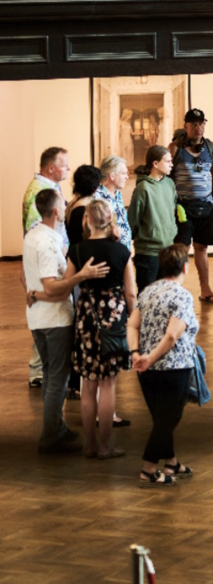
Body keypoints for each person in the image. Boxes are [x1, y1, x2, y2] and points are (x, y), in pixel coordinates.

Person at [23, 189, 108, 454]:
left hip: (38, 318)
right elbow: (53, 288)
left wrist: (33, 293)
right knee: (58, 378)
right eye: (64, 206)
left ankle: (56, 428)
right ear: (57, 211)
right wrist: (81, 275)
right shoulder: (47, 243)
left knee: (51, 375)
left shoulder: (33, 235)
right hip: (55, 319)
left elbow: (30, 281)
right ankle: (50, 437)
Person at [67, 200, 136, 459]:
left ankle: (90, 445)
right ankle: (106, 447)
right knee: (108, 384)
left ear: (87, 219)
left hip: (87, 317)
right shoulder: (121, 251)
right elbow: (130, 293)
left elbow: (66, 284)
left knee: (88, 384)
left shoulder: (77, 250)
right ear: (110, 220)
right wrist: (133, 322)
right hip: (114, 317)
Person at [128, 244, 200, 487]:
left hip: (146, 371)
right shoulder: (182, 296)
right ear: (184, 267)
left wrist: (138, 353)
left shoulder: (147, 291)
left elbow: (132, 325)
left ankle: (171, 462)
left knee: (161, 418)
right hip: (174, 368)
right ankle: (148, 469)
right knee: (167, 419)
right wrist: (152, 357)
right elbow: (171, 336)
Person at [22, 146, 71, 388]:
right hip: (46, 262)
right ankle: (39, 372)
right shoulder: (40, 191)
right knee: (44, 312)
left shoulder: (48, 187)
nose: (68, 169)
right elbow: (37, 231)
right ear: (51, 168)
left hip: (52, 258)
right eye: (64, 165)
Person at [169, 107, 213, 304]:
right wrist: (172, 205)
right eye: (194, 124)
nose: (198, 128)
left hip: (207, 207)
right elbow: (168, 180)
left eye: (201, 124)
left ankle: (205, 290)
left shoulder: (211, 148)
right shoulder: (175, 148)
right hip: (183, 207)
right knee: (181, 248)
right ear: (186, 126)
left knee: (202, 248)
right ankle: (175, 290)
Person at [64, 164, 102, 402]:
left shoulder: (72, 204)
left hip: (74, 265)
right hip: (83, 270)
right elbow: (91, 239)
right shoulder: (85, 210)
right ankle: (77, 383)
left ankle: (74, 382)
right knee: (84, 330)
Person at [128, 145, 178, 293]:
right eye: (168, 161)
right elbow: (133, 220)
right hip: (148, 254)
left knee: (165, 297)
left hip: (168, 251)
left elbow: (172, 211)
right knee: (147, 296)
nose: (171, 164)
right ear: (155, 164)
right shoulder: (143, 188)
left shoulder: (170, 184)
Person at [93, 154, 133, 251]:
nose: (127, 177)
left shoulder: (117, 193)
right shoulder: (97, 196)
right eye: (123, 173)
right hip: (108, 252)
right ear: (112, 175)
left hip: (123, 252)